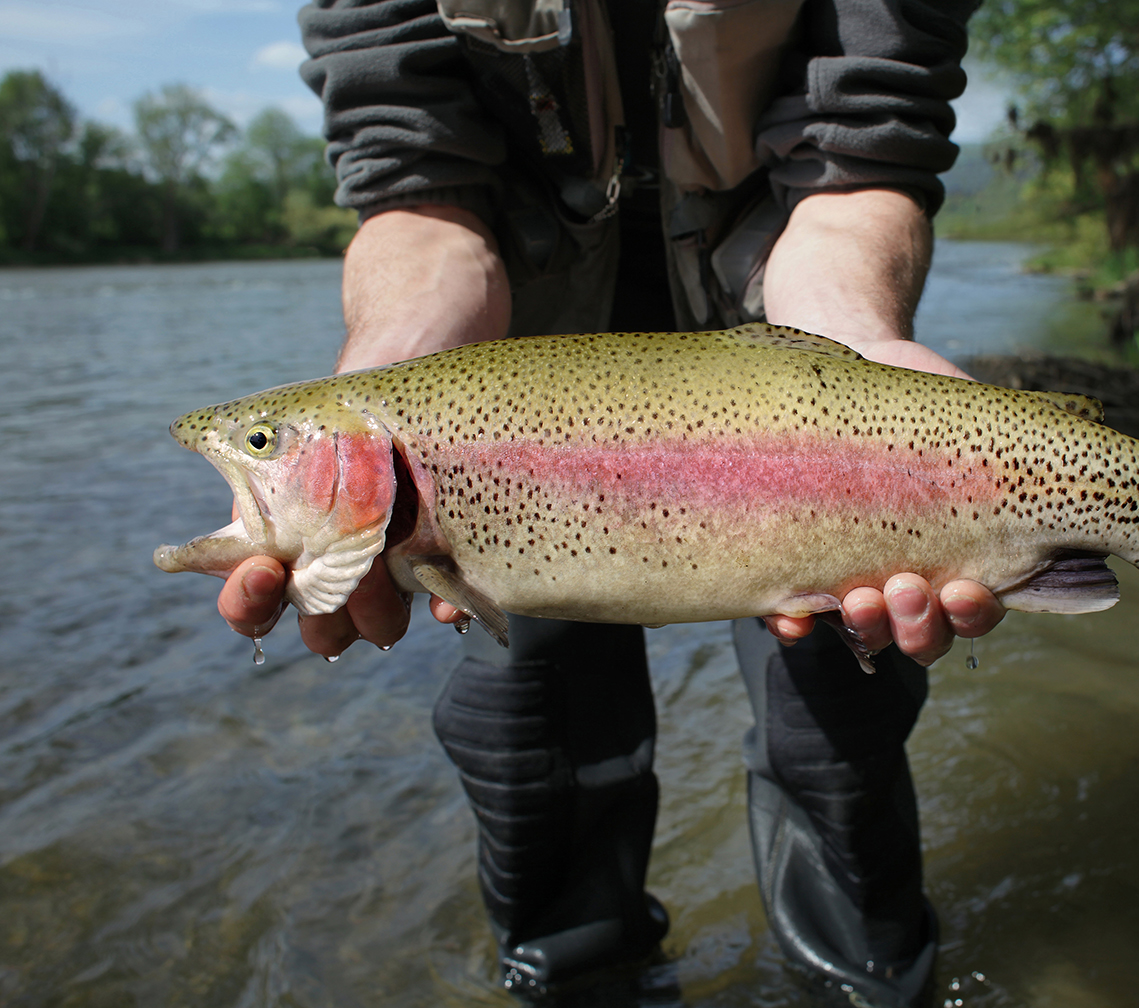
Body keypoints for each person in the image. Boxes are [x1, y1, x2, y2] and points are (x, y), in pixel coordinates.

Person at [218, 0, 1004, 1002]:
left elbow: (860, 165)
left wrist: (862, 353)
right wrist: (389, 378)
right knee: (525, 736)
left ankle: (868, 984)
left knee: (838, 716)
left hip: (783, 344)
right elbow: (419, 194)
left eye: (255, 445)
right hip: (509, 399)